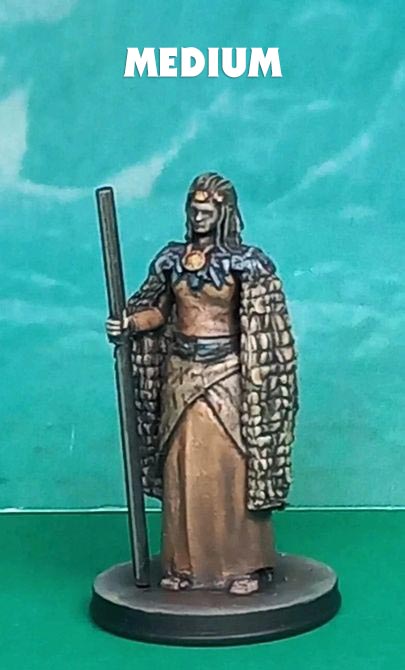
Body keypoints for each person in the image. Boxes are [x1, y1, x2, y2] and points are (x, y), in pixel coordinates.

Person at [106, 172, 298, 595]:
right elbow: (159, 311)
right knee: (182, 468)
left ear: (223, 212)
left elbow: (261, 325)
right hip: (181, 373)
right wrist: (130, 323)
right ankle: (185, 565)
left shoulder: (247, 263)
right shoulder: (171, 260)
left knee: (231, 467)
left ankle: (245, 564)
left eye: (206, 210)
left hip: (227, 373)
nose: (198, 216)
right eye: (193, 209)